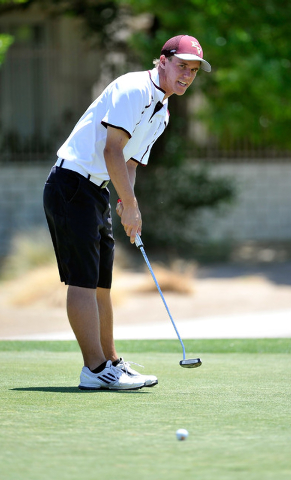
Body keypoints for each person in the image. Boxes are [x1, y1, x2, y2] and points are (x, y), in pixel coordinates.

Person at [43, 35, 211, 391]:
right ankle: (95, 369)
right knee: (84, 281)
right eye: (182, 66)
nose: (187, 75)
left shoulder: (162, 112)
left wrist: (126, 203)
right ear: (162, 61)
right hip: (71, 184)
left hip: (96, 191)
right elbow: (111, 150)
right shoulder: (133, 88)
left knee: (102, 283)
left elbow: (130, 162)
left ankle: (112, 363)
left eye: (193, 71)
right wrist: (131, 206)